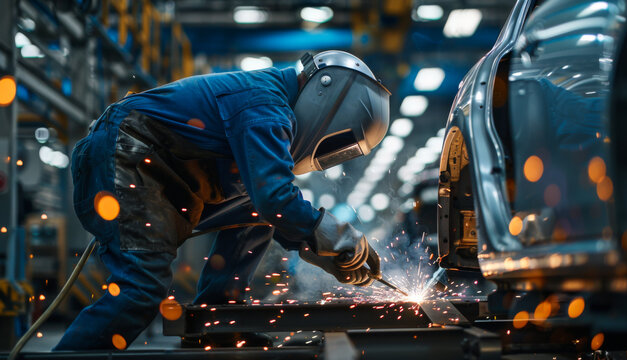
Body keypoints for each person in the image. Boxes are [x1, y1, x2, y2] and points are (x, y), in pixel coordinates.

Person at [54, 50, 390, 350]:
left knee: (255, 214)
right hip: (127, 152)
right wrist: (335, 233)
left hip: (157, 166)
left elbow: (266, 206)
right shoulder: (266, 104)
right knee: (140, 288)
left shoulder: (272, 106)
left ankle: (220, 320)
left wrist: (321, 251)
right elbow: (275, 196)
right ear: (325, 94)